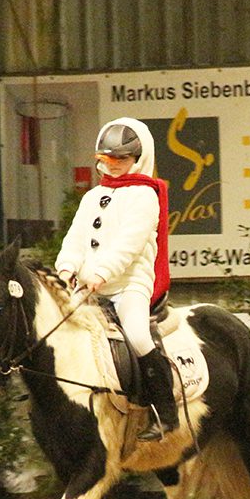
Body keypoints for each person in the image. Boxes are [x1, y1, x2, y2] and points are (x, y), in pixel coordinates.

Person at [56, 117, 177, 442]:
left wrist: (101, 273)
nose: (111, 167)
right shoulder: (93, 196)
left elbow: (130, 243)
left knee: (137, 335)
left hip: (129, 286)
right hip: (90, 285)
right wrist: (67, 266)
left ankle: (166, 412)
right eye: (106, 160)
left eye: (120, 160)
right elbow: (76, 236)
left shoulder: (145, 196)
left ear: (139, 158)